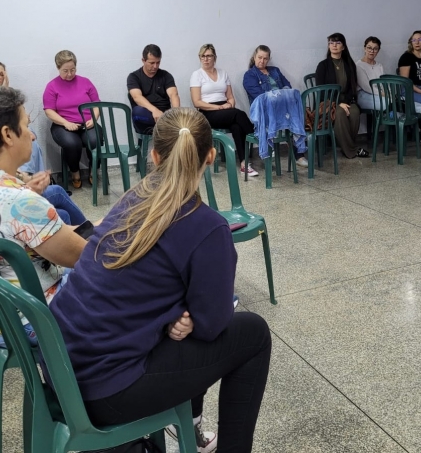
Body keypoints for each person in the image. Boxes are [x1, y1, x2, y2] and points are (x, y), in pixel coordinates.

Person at [48, 108, 272, 453]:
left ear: (154, 156)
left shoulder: (129, 200)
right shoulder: (208, 226)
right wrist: (185, 314)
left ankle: (191, 428)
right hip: (105, 391)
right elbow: (212, 325)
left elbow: (139, 283)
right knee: (254, 334)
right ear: (210, 158)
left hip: (59, 371)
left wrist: (177, 311)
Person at [0, 86, 87, 305]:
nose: (31, 135)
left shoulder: (13, 190)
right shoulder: (22, 201)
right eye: (26, 126)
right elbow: (84, 256)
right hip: (35, 316)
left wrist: (102, 225)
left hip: (9, 314)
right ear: (7, 134)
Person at [190, 44, 257, 177]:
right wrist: (218, 107)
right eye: (202, 56)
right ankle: (257, 137)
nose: (205, 59)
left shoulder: (222, 73)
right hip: (208, 112)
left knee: (237, 126)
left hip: (225, 110)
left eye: (208, 55)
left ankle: (244, 164)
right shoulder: (197, 75)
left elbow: (231, 97)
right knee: (239, 114)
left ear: (214, 57)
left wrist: (229, 104)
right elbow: (197, 102)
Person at [43, 50, 101, 189]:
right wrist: (65, 123)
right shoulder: (52, 86)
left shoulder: (86, 82)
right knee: (72, 143)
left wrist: (94, 119)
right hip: (63, 126)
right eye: (65, 71)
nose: (69, 74)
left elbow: (96, 104)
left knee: (94, 140)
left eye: (72, 70)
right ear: (58, 68)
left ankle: (94, 170)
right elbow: (49, 110)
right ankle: (75, 172)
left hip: (87, 123)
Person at [243, 45, 308, 167]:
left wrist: (280, 95)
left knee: (293, 104)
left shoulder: (275, 70)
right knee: (285, 108)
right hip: (264, 110)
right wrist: (279, 95)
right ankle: (270, 149)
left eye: (265, 58)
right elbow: (260, 96)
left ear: (269, 59)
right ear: (254, 57)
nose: (262, 61)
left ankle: (299, 154)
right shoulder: (250, 75)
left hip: (282, 108)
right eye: (259, 57)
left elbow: (287, 86)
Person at [315, 32, 369, 158]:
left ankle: (347, 147)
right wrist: (338, 103)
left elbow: (352, 86)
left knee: (355, 111)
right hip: (328, 102)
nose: (334, 45)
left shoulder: (349, 64)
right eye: (331, 43)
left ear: (343, 47)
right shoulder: (323, 65)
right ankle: (351, 150)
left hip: (347, 100)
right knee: (339, 112)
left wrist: (348, 101)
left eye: (338, 43)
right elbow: (321, 90)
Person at [127, 44, 180, 134]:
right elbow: (137, 97)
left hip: (165, 115)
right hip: (146, 117)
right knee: (137, 112)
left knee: (184, 117)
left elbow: (173, 94)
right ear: (143, 60)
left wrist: (176, 114)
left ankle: (168, 123)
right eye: (152, 63)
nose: (155, 66)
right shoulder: (134, 77)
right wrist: (155, 111)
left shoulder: (166, 75)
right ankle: (167, 125)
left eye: (158, 62)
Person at [356, 36, 385, 110]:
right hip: (364, 94)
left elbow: (384, 83)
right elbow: (367, 87)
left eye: (375, 49)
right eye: (369, 48)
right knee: (387, 104)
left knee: (398, 101)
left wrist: (387, 93)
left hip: (379, 94)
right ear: (365, 48)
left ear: (378, 51)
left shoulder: (379, 66)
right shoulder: (359, 65)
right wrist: (382, 94)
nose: (372, 51)